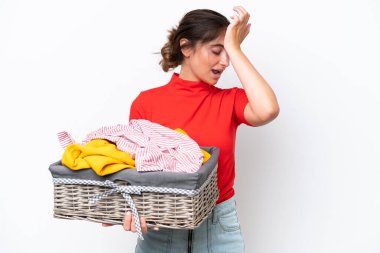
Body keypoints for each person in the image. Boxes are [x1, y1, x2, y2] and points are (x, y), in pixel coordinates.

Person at [103, 6, 279, 253]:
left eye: (229, 53)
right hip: (160, 227)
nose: (225, 62)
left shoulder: (230, 100)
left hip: (218, 227)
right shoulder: (146, 103)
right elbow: (134, 171)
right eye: (217, 51)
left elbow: (268, 109)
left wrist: (235, 48)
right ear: (186, 48)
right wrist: (131, 210)